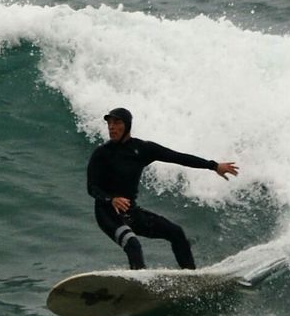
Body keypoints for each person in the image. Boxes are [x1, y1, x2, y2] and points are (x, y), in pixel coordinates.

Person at [86, 107, 238, 270]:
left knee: (176, 232)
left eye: (117, 122)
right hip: (107, 213)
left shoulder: (142, 149)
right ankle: (139, 285)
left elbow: (177, 157)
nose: (111, 127)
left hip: (131, 212)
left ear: (127, 125)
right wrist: (111, 199)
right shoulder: (101, 154)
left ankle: (192, 277)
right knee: (132, 244)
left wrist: (213, 166)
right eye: (109, 123)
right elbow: (92, 188)